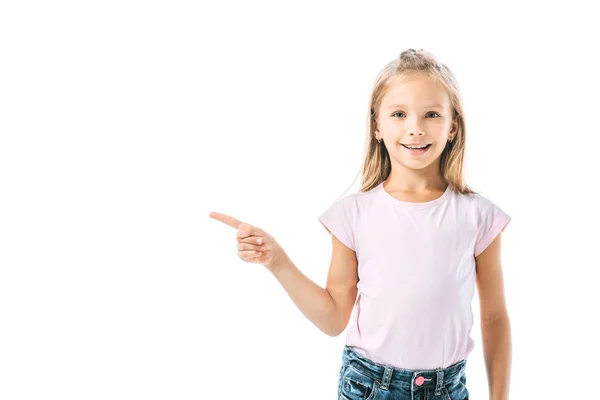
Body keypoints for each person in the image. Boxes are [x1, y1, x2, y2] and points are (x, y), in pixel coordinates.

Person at [209, 48, 512, 400]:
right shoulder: (353, 214)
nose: (415, 128)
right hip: (369, 387)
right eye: (399, 114)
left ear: (452, 127)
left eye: (431, 114)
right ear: (377, 127)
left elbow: (494, 318)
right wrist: (276, 261)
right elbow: (334, 318)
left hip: (448, 389)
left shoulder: (479, 216)